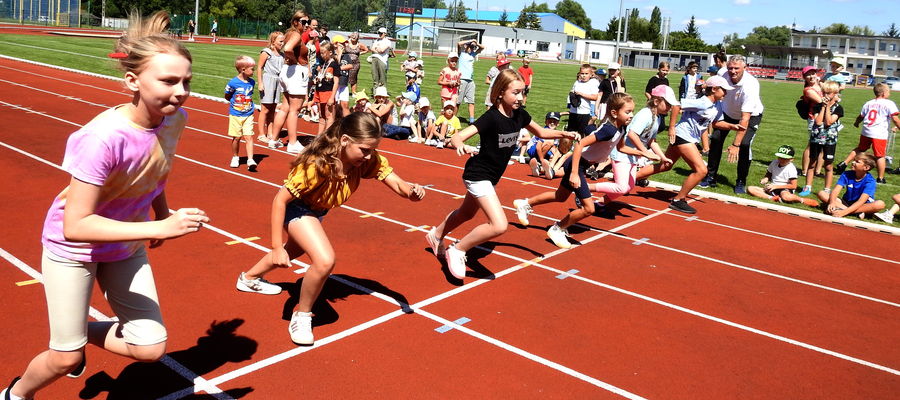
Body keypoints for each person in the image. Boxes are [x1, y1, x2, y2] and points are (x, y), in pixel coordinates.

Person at [0, 11, 209, 400]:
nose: (180, 90)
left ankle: (81, 338)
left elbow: (155, 170)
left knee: (150, 347)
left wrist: (161, 212)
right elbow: (75, 225)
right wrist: (156, 228)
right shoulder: (101, 138)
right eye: (168, 80)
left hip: (123, 245)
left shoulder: (174, 119)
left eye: (186, 81)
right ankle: (16, 393)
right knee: (63, 359)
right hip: (73, 249)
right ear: (132, 81)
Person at [235, 112, 425, 345]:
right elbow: (279, 200)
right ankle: (302, 314)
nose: (368, 156)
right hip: (297, 209)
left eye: (372, 150)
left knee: (291, 252)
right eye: (364, 150)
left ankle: (248, 278)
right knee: (324, 260)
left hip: (317, 211)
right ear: (345, 140)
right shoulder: (317, 165)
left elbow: (396, 182)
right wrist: (275, 245)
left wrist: (411, 192)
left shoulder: (366, 159)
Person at [424, 69, 577, 279]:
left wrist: (563, 133)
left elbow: (541, 133)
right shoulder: (491, 117)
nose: (520, 98)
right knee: (499, 225)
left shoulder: (520, 115)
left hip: (491, 176)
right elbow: (459, 137)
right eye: (515, 93)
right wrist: (460, 145)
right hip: (478, 175)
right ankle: (458, 249)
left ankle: (436, 235)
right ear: (500, 92)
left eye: (523, 93)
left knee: (466, 213)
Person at [512, 93, 635, 249]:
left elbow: (621, 147)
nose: (631, 115)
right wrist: (575, 173)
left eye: (632, 111)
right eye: (628, 111)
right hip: (577, 164)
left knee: (560, 196)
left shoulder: (621, 127)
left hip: (579, 165)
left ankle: (525, 203)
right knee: (589, 208)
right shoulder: (608, 130)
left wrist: (645, 153)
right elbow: (579, 144)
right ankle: (558, 229)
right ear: (614, 113)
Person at [636, 75, 743, 214]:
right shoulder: (702, 102)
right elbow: (676, 105)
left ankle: (629, 178)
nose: (726, 93)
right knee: (701, 170)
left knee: (665, 166)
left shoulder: (718, 105)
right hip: (682, 136)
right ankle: (678, 200)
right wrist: (672, 127)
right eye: (724, 90)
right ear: (714, 89)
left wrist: (731, 126)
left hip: (689, 138)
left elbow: (716, 123)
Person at [593, 85, 676, 206]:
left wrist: (663, 157)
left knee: (628, 187)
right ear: (657, 101)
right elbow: (632, 134)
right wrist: (645, 152)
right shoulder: (645, 115)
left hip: (632, 155)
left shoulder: (657, 118)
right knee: (621, 187)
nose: (670, 107)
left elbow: (652, 141)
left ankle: (599, 203)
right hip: (622, 153)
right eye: (668, 104)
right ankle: (583, 189)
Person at [701, 55, 764, 194]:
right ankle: (711, 176)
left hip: (750, 115)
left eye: (737, 68)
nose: (733, 71)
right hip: (727, 112)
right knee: (716, 139)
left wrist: (735, 145)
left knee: (744, 145)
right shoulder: (722, 73)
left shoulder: (751, 85)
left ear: (745, 68)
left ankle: (740, 181)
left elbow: (745, 118)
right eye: (730, 68)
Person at [834, 83, 900, 184]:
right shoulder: (889, 103)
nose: (889, 94)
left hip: (866, 130)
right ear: (883, 93)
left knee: (860, 148)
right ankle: (880, 178)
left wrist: (857, 122)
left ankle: (844, 163)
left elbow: (861, 116)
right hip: (879, 133)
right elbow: (895, 118)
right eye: (888, 92)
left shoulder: (869, 103)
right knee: (880, 155)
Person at [271, 11, 315, 154]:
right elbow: (288, 48)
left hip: (287, 71)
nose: (307, 25)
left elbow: (287, 48)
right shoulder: (296, 34)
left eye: (308, 22)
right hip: (295, 72)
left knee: (285, 107)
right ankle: (293, 142)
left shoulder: (289, 33)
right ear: (296, 22)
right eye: (304, 22)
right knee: (294, 110)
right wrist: (296, 62)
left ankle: (273, 139)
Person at [799, 80, 844, 196]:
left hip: (830, 140)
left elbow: (829, 122)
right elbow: (818, 122)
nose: (826, 96)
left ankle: (827, 189)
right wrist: (823, 107)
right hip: (816, 138)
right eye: (824, 93)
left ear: (835, 94)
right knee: (812, 162)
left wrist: (828, 107)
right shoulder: (818, 106)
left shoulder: (839, 108)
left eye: (829, 93)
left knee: (828, 165)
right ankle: (807, 187)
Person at [818, 153, 886, 218]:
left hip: (862, 205)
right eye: (854, 160)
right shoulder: (846, 174)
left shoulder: (870, 181)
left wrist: (843, 213)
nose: (853, 163)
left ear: (866, 167)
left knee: (880, 204)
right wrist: (832, 202)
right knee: (822, 193)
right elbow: (836, 191)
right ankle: (856, 212)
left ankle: (844, 209)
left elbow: (861, 201)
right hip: (847, 202)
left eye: (857, 162)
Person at [747, 145, 819, 206]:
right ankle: (772, 198)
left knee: (786, 197)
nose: (781, 160)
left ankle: (802, 200)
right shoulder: (774, 163)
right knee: (750, 189)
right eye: (780, 157)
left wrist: (776, 186)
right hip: (772, 187)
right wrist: (765, 179)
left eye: (785, 158)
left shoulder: (791, 168)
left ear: (791, 159)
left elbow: (793, 186)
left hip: (785, 189)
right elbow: (768, 174)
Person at [226, 56, 258, 171]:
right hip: (235, 114)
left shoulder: (252, 82)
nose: (253, 71)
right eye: (252, 69)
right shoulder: (233, 83)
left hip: (248, 114)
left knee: (249, 136)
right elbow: (227, 95)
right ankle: (235, 157)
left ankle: (250, 159)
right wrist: (236, 105)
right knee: (237, 137)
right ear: (243, 69)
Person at [257, 31, 286, 148]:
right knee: (265, 109)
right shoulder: (266, 52)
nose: (283, 43)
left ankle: (270, 133)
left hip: (277, 81)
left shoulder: (282, 55)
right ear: (273, 41)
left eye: (283, 41)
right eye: (280, 41)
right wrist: (260, 83)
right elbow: (259, 67)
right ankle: (261, 134)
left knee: (273, 109)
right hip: (268, 79)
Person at [800, 65, 825, 177]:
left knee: (823, 145)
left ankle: (817, 171)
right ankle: (805, 170)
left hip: (824, 118)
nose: (811, 76)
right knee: (812, 145)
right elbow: (821, 101)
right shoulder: (808, 90)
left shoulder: (820, 86)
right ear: (804, 78)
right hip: (814, 119)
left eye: (813, 73)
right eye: (808, 75)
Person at [312, 41, 339, 135]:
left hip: (328, 92)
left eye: (323, 53)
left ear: (330, 52)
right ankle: (319, 137)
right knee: (321, 115)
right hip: (319, 91)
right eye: (321, 53)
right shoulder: (324, 64)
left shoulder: (334, 64)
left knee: (329, 116)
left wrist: (332, 97)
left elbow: (336, 82)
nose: (322, 55)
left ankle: (326, 137)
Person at [526, 111, 563, 179]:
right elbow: (538, 147)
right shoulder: (545, 131)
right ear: (545, 122)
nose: (552, 123)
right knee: (550, 142)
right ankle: (538, 162)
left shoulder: (556, 133)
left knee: (553, 157)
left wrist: (554, 156)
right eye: (550, 121)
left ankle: (539, 169)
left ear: (558, 123)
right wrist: (542, 160)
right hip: (532, 148)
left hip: (542, 149)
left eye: (554, 121)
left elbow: (554, 147)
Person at [568, 64, 600, 136]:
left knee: (582, 133)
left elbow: (595, 97)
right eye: (582, 73)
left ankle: (580, 146)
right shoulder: (577, 82)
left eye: (586, 74)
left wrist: (581, 94)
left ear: (591, 74)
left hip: (584, 112)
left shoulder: (593, 83)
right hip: (574, 111)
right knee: (570, 133)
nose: (584, 75)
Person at [457, 39, 484, 124]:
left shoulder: (473, 55)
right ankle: (452, 119)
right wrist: (470, 40)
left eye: (473, 48)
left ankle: (472, 120)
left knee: (471, 101)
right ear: (466, 46)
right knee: (458, 102)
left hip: (470, 81)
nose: (472, 49)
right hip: (462, 80)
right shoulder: (461, 54)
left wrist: (476, 43)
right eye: (471, 47)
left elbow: (482, 47)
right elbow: (458, 43)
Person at [331, 35, 353, 118]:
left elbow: (350, 65)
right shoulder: (332, 55)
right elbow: (335, 65)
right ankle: (333, 121)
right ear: (336, 44)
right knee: (334, 105)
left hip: (344, 84)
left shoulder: (346, 56)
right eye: (342, 44)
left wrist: (340, 68)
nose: (344, 46)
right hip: (335, 84)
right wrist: (339, 54)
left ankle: (347, 123)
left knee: (345, 105)